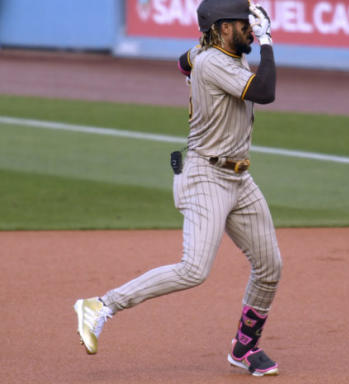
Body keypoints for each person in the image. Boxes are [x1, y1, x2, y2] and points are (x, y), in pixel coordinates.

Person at [74, 0, 282, 376]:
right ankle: (102, 305)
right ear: (221, 29)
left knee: (269, 267)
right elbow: (265, 91)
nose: (250, 29)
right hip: (205, 174)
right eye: (243, 24)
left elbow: (181, 63)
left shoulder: (206, 51)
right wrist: (267, 39)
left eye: (251, 24)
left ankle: (244, 348)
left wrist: (208, 51)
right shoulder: (214, 61)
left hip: (239, 178)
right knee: (194, 269)